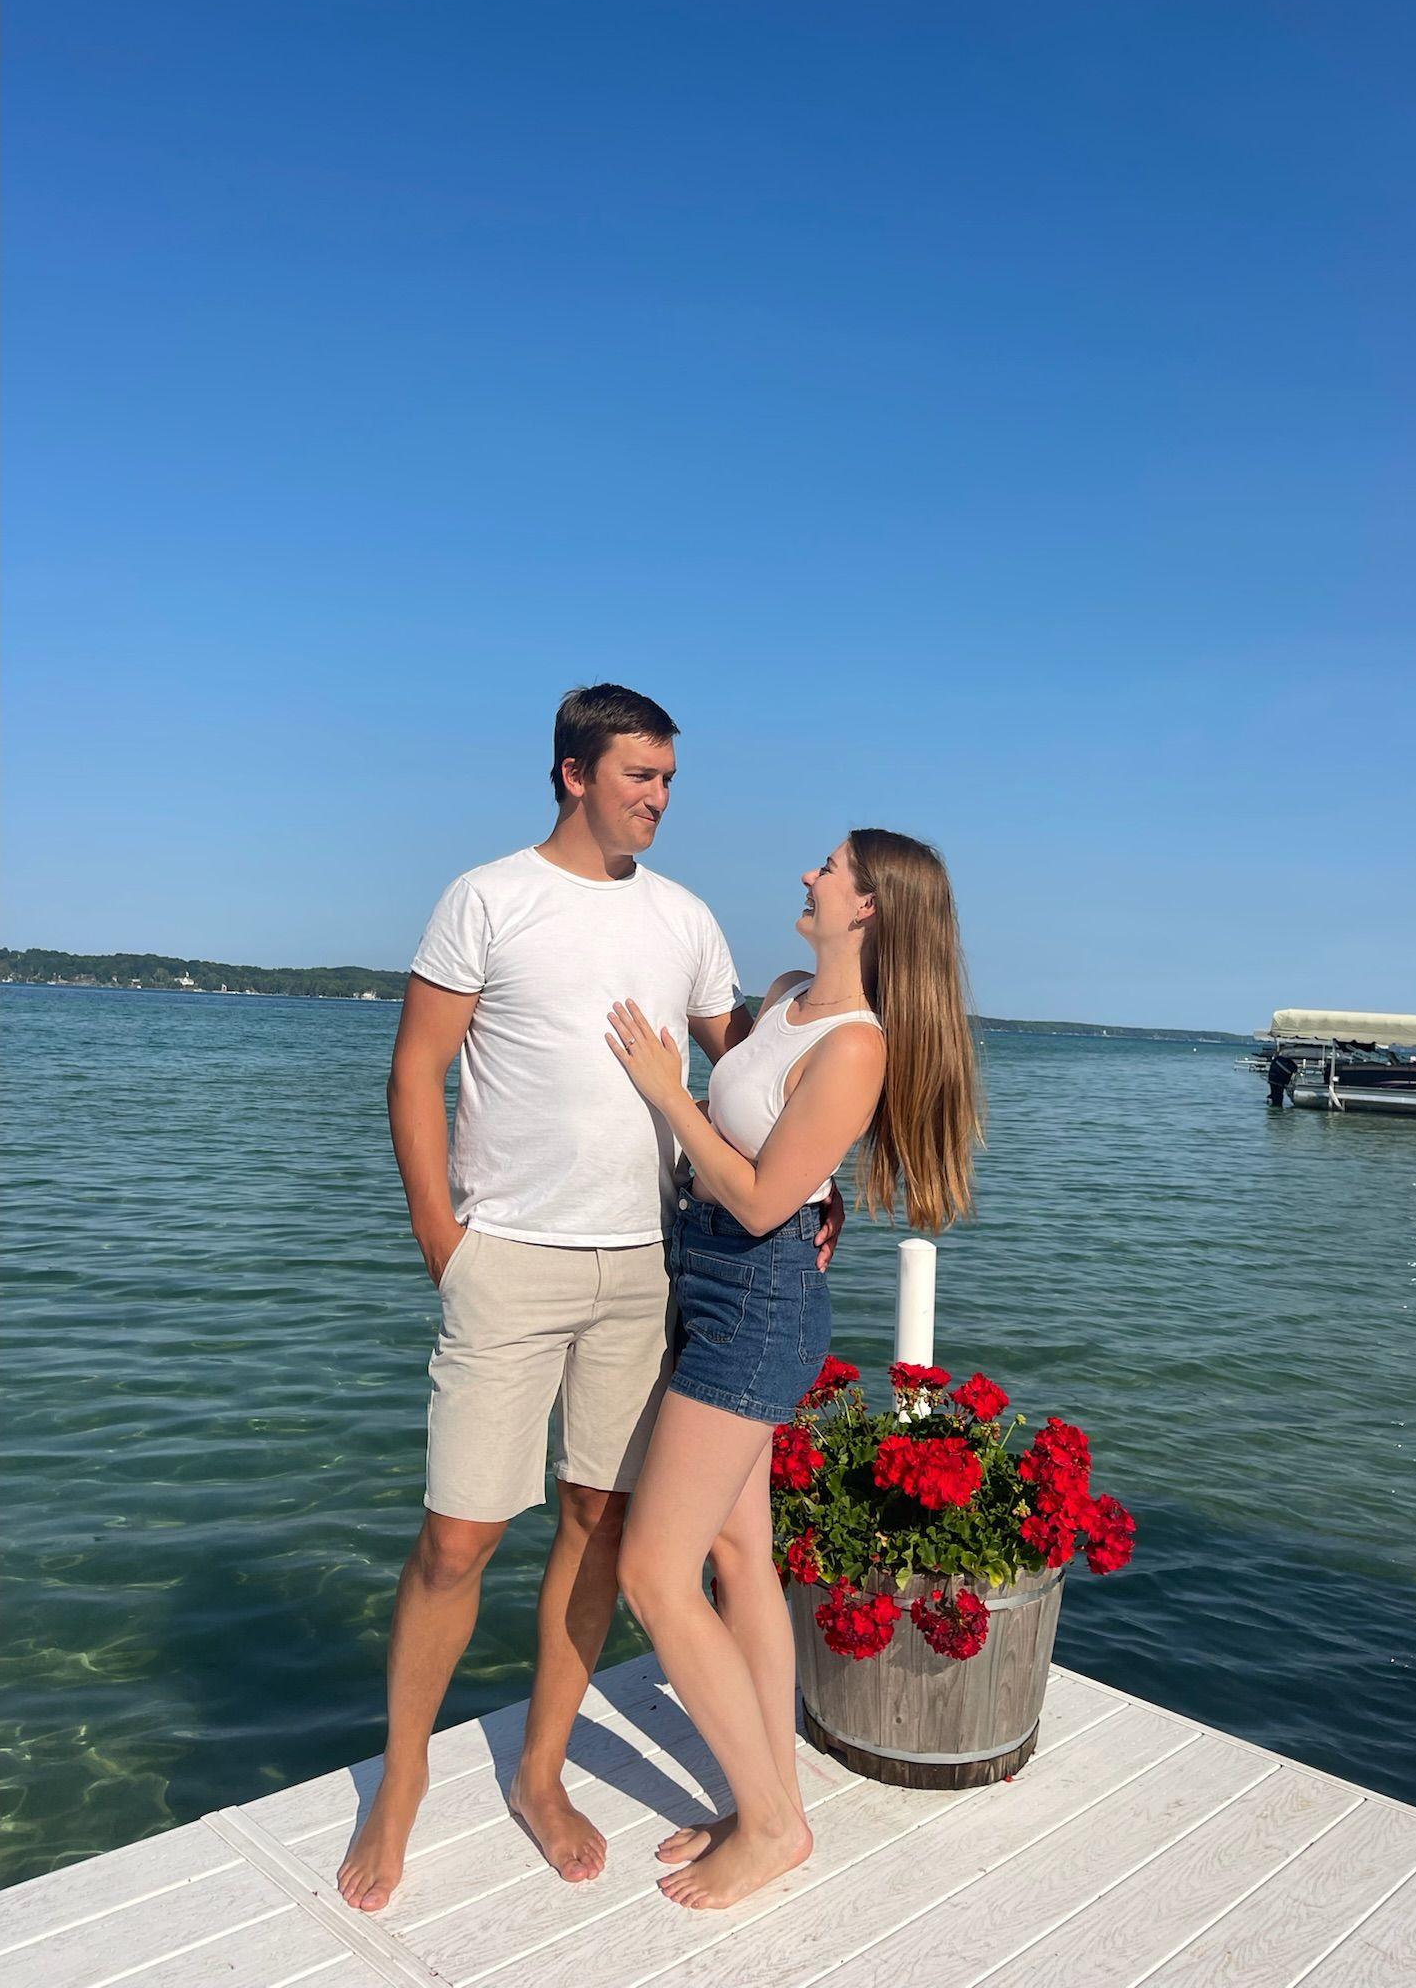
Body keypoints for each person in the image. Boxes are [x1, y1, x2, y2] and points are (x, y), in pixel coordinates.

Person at [336, 683, 844, 1914]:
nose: (659, 798)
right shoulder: (487, 896)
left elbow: (754, 1069)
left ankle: (540, 1770)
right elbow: (415, 1068)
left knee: (598, 1523)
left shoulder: (685, 919)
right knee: (458, 1535)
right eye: (638, 776)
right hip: (506, 1258)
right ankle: (402, 1776)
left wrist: (818, 1181)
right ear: (573, 772)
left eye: (668, 779)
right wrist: (442, 1239)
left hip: (648, 1264)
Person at [603, 828, 981, 1909]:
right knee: (739, 1554)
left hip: (757, 1300)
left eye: (830, 866)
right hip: (713, 1272)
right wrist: (819, 1189)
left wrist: (667, 1092)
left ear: (868, 907)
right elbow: (786, 1157)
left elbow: (768, 1199)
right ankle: (766, 1797)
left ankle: (773, 1827)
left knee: (653, 1574)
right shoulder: (784, 998)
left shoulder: (857, 1046)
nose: (808, 874)